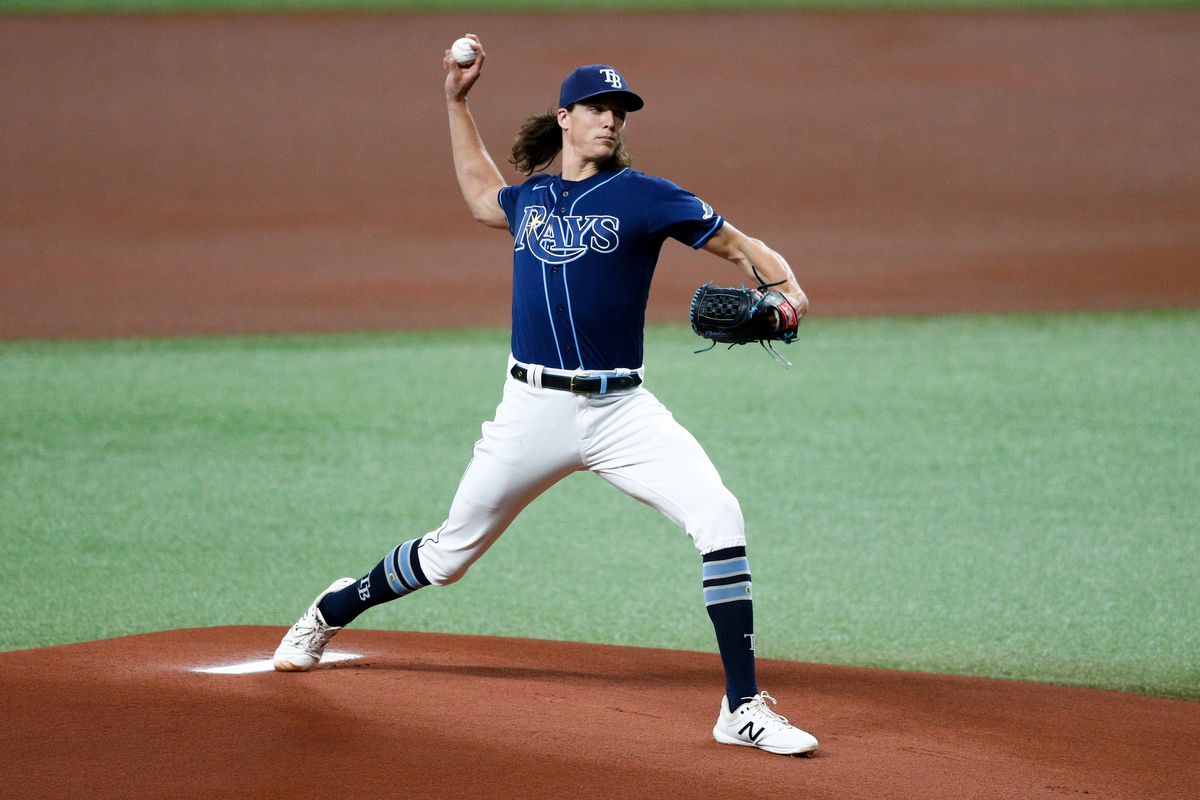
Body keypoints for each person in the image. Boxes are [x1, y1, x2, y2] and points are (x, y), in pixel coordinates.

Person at [273, 34, 818, 757]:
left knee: (719, 514)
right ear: (565, 117)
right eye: (597, 106)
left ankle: (741, 707)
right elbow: (477, 195)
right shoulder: (530, 196)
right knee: (448, 557)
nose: (611, 119)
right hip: (531, 411)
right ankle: (333, 607)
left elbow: (743, 246)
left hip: (622, 411)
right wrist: (455, 102)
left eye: (620, 110)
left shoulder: (650, 197)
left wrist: (788, 295)